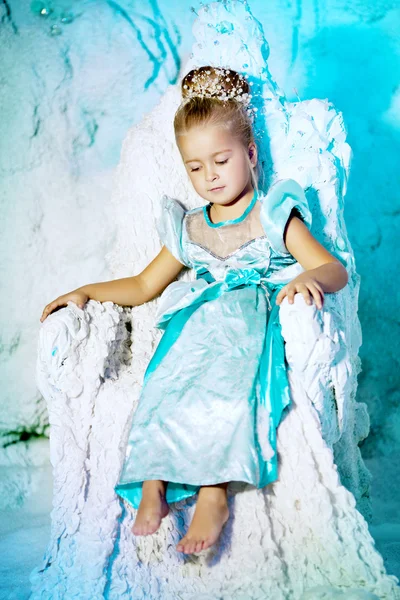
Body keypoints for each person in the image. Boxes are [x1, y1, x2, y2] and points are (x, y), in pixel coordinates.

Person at [40, 66, 348, 556]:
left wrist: (309, 276)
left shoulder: (272, 215)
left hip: (244, 328)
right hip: (191, 332)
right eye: (196, 168)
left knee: (226, 391)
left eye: (221, 160)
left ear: (249, 154)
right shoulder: (189, 226)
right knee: (163, 390)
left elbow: (333, 269)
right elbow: (143, 284)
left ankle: (212, 495)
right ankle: (153, 483)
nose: (209, 177)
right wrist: (84, 290)